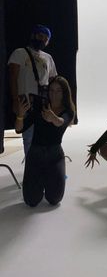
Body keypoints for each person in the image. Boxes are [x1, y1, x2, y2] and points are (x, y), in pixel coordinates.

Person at [15, 76, 75, 207]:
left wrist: (53, 118)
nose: (54, 94)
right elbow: (19, 129)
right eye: (52, 90)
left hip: (55, 155)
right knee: (31, 201)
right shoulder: (40, 108)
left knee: (54, 199)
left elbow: (61, 122)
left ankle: (48, 177)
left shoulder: (68, 111)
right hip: (35, 154)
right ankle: (41, 178)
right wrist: (20, 115)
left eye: (58, 91)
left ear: (64, 93)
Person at [8, 24, 57, 156]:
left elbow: (54, 82)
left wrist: (56, 105)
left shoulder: (48, 57)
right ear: (33, 35)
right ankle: (32, 172)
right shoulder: (19, 53)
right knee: (29, 137)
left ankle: (47, 170)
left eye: (46, 39)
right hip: (26, 102)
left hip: (44, 103)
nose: (42, 40)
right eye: (40, 36)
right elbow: (13, 77)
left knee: (46, 137)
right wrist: (15, 99)